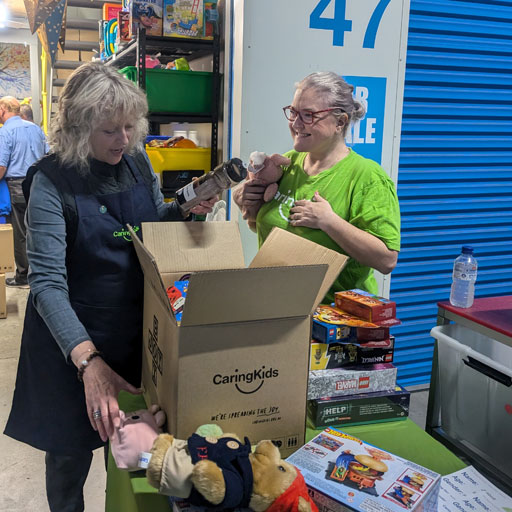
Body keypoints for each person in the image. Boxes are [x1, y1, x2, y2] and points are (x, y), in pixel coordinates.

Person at [4, 62, 216, 512]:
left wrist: (187, 209)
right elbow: (46, 283)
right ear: (79, 129)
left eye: (129, 126)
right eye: (109, 130)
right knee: (69, 459)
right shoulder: (50, 181)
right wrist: (89, 363)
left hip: (128, 334)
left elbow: (150, 226)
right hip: (70, 344)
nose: (123, 139)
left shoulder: (136, 161)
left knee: (135, 457)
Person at [234, 72, 400, 302]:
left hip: (336, 321)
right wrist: (250, 206)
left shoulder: (367, 177)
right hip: (277, 306)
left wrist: (329, 222)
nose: (295, 123)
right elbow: (276, 231)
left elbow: (386, 260)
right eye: (293, 112)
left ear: (340, 122)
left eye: (308, 115)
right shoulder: (286, 164)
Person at [0, 96, 48, 287]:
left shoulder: (6, 132)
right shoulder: (36, 129)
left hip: (17, 186)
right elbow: (48, 156)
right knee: (37, 229)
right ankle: (42, 273)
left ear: (3, 109)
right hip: (39, 183)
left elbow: (1, 167)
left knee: (20, 232)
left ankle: (23, 276)